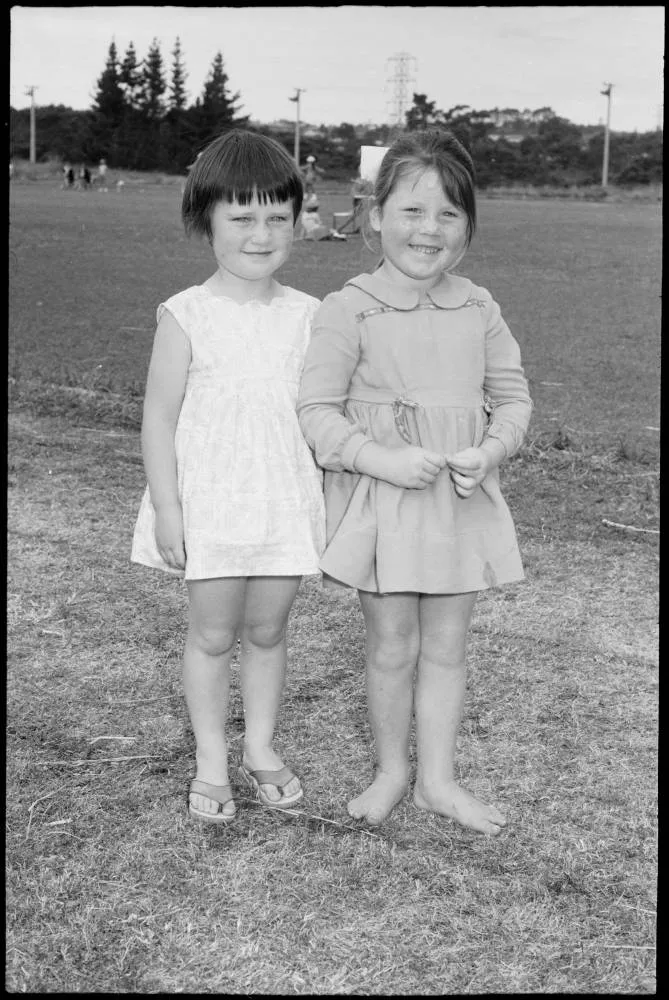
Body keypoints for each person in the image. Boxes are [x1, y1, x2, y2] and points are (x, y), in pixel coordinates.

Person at [297, 128, 532, 835]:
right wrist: (381, 459)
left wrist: (490, 450)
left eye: (447, 214)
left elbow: (513, 398)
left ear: (467, 227)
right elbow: (315, 412)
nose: (428, 230)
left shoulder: (479, 307)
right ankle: (391, 772)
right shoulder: (348, 306)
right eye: (410, 210)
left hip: (458, 502)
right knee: (391, 645)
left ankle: (436, 779)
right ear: (373, 215)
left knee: (447, 647)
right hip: (384, 503)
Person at [131, 129, 326, 824]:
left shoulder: (312, 316)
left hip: (282, 502)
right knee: (213, 635)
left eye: (277, 216)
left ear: (300, 222)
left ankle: (261, 746)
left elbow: (323, 415)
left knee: (269, 633)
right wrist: (168, 508)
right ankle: (212, 757)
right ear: (204, 219)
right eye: (241, 217)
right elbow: (158, 419)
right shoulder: (185, 315)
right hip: (210, 503)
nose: (260, 233)